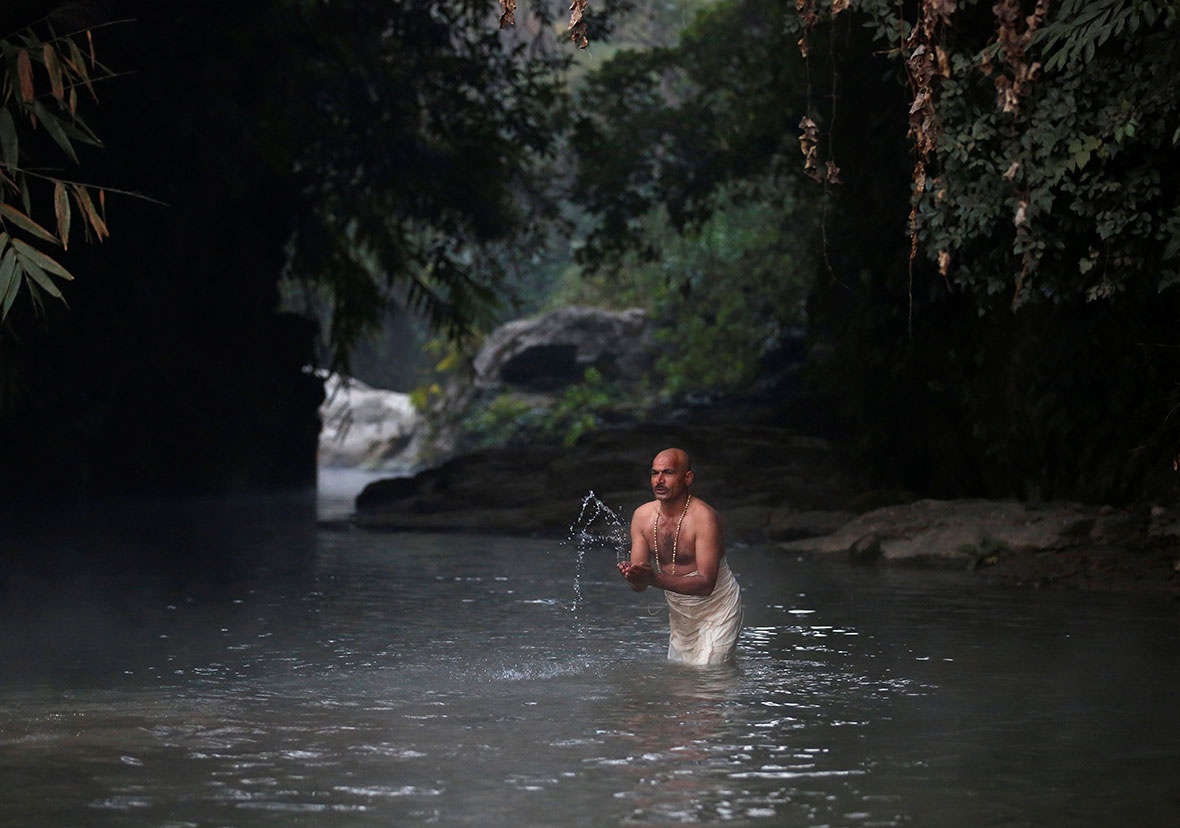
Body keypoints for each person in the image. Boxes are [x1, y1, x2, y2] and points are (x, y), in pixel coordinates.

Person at [617, 448, 743, 665]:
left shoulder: (704, 518)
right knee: (683, 680)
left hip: (718, 608)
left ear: (687, 478)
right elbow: (640, 585)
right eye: (654, 473)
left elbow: (706, 585)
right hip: (680, 613)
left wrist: (653, 579)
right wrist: (634, 577)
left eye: (668, 473)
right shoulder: (642, 517)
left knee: (710, 677)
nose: (659, 480)